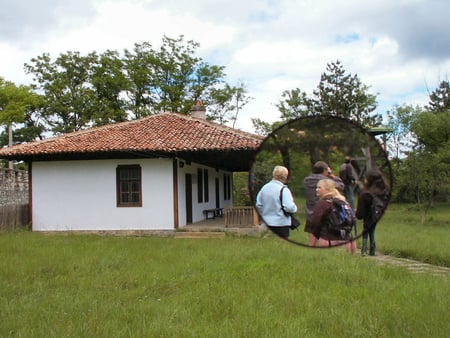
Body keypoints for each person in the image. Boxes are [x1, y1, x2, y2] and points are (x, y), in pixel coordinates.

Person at [303, 161, 344, 245]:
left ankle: (311, 248)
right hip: (324, 211)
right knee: (324, 234)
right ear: (325, 170)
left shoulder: (306, 180)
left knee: (312, 232)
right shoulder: (325, 182)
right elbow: (341, 185)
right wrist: (332, 175)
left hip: (310, 211)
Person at [310, 178, 356, 253]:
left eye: (319, 187)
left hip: (328, 240)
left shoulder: (323, 204)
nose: (316, 189)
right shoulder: (344, 202)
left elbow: (315, 223)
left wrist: (313, 243)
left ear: (327, 189)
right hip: (346, 241)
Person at [256, 165, 298, 239]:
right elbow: (289, 207)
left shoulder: (264, 188)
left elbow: (259, 205)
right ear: (285, 177)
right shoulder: (283, 190)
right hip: (281, 223)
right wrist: (295, 209)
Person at [355, 168, 390, 256]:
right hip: (376, 216)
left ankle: (364, 250)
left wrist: (358, 214)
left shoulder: (365, 194)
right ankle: (372, 250)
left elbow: (360, 213)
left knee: (366, 233)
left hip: (368, 217)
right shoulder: (384, 192)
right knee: (372, 233)